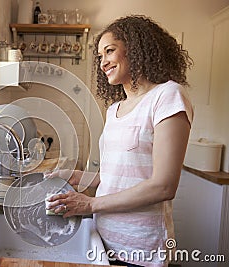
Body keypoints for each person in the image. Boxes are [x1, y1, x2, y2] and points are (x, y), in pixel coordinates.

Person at [46, 15, 194, 267]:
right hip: (103, 241)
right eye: (100, 56)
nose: (103, 62)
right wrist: (79, 176)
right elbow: (116, 177)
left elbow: (163, 186)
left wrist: (90, 203)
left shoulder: (167, 96)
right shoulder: (114, 110)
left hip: (141, 249)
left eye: (110, 51)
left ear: (135, 50)